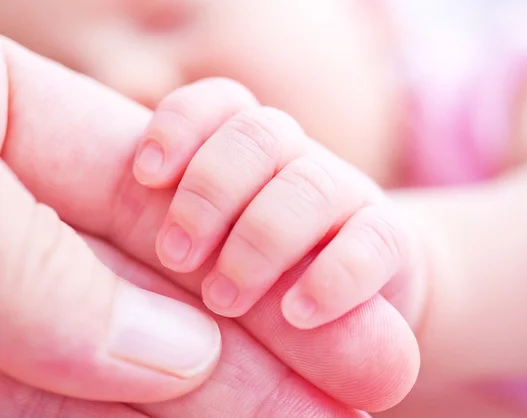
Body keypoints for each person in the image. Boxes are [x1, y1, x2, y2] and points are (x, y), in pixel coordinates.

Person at [0, 38, 419, 416]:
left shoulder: (473, 117)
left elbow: (484, 262)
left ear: (369, 12)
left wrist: (421, 288)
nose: (130, 80)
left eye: (163, 16)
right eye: (73, 73)